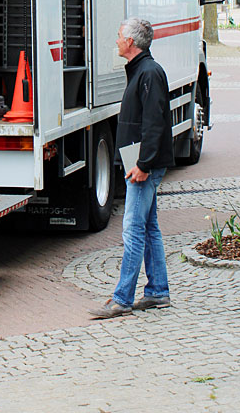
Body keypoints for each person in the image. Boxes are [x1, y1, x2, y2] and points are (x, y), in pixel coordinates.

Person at [89, 17, 174, 319]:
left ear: (131, 43)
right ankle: (157, 292)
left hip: (142, 165)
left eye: (119, 36)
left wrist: (143, 164)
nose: (116, 40)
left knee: (133, 229)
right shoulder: (144, 71)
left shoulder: (149, 73)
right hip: (141, 162)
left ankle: (122, 298)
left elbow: (154, 123)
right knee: (149, 227)